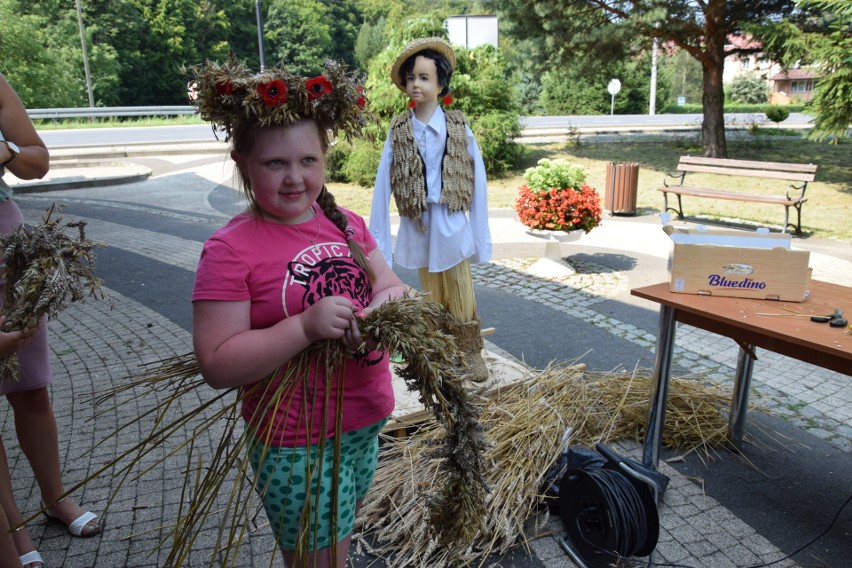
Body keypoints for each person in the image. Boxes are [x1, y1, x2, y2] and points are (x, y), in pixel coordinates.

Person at [189, 59, 405, 567]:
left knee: (338, 549)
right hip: (297, 442)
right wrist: (305, 327)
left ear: (325, 158)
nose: (294, 178)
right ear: (243, 164)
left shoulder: (346, 224)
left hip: (365, 422)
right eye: (275, 164)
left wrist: (373, 320)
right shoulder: (229, 250)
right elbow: (218, 363)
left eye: (307, 160)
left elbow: (392, 287)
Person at [0, 72, 103, 568]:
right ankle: (12, 529)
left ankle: (55, 498)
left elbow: (36, 161)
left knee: (31, 387)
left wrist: (4, 153)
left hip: (7, 251)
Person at [369, 37, 492, 382]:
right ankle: (440, 348)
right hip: (419, 222)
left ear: (440, 84)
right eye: (411, 78)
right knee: (430, 288)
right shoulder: (397, 131)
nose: (415, 85)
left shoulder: (457, 127)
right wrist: (380, 246)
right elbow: (382, 186)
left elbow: (478, 181)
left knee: (459, 283)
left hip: (451, 219)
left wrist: (481, 237)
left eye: (424, 77)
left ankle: (469, 349)